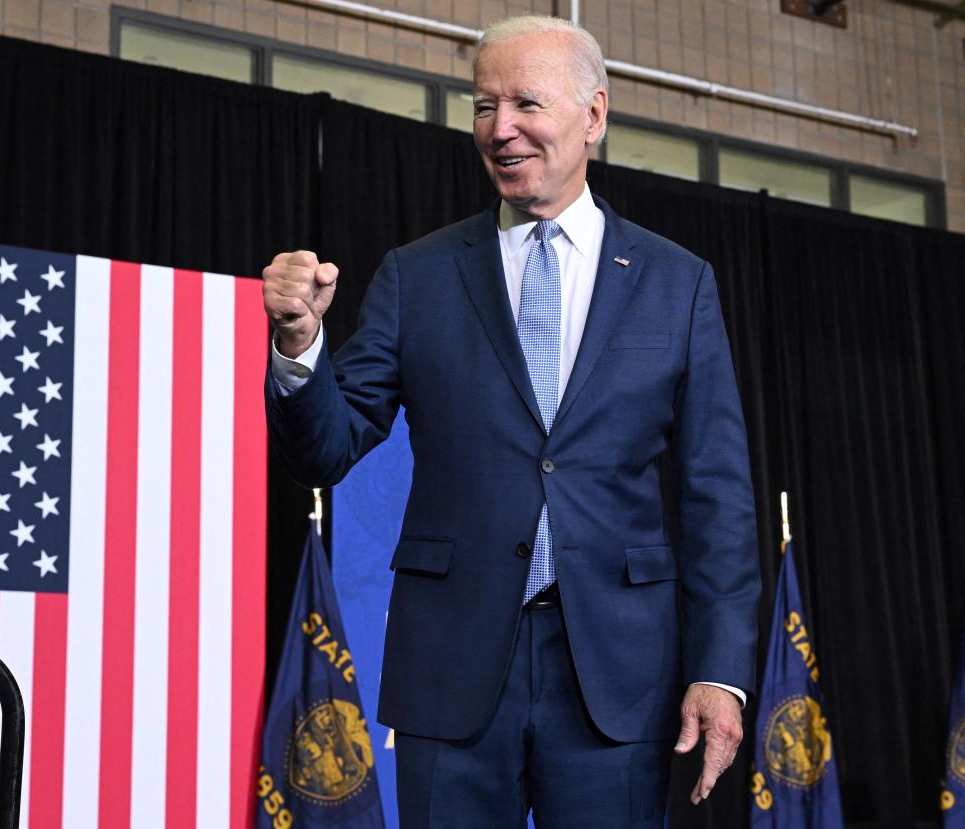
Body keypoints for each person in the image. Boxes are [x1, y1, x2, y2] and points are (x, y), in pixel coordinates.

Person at [263, 14, 760, 827]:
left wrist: (721, 671)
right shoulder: (416, 276)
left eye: (525, 102)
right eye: (483, 106)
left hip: (617, 677)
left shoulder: (679, 283)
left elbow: (719, 495)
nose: (501, 129)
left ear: (593, 115)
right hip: (451, 668)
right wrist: (300, 345)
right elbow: (328, 444)